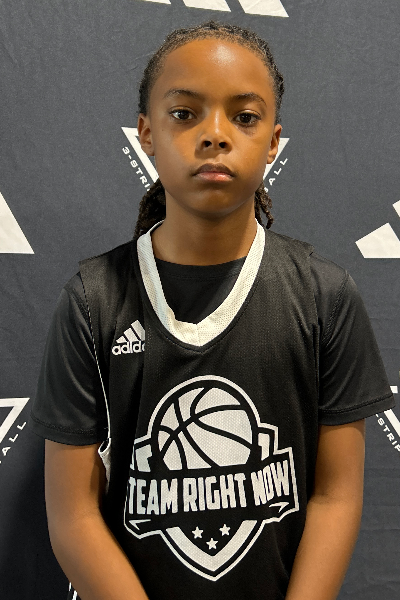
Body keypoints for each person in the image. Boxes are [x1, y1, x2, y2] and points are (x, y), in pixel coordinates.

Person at [29, 21, 395, 600]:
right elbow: (73, 516)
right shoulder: (93, 299)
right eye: (184, 114)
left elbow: (335, 496)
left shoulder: (324, 295)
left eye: (244, 117)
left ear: (273, 142)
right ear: (146, 134)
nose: (215, 135)